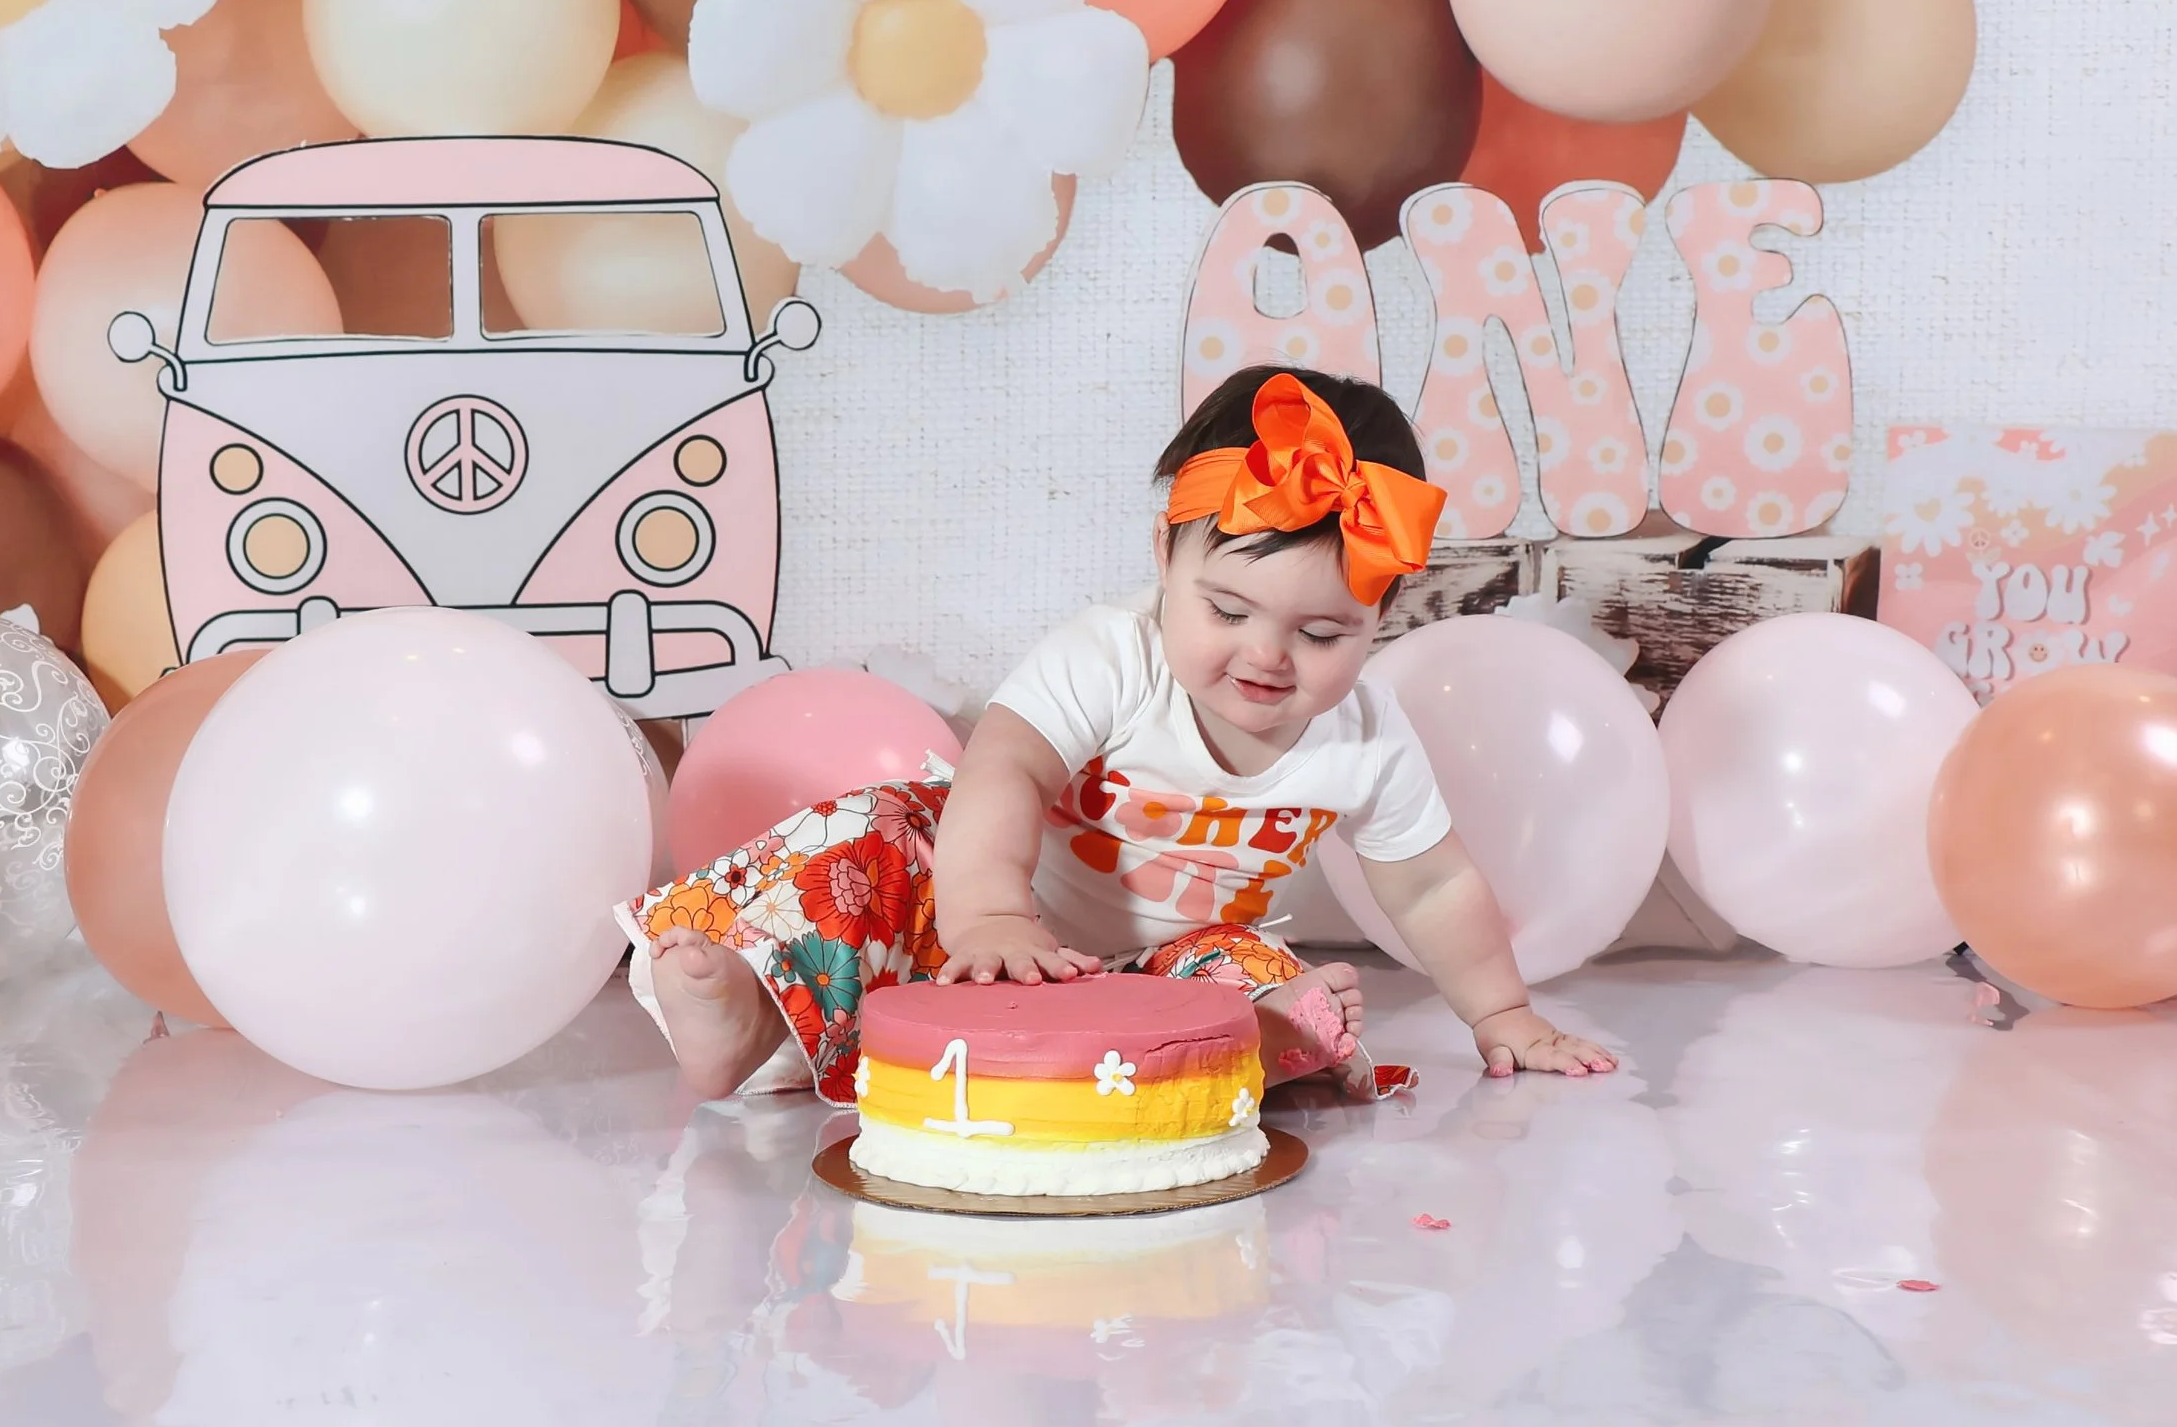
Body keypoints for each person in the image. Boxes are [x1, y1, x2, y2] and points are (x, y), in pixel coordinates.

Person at [624, 366, 1617, 1106]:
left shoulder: (1366, 738)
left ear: (1381, 616)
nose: (1267, 656)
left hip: (1162, 973)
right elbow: (1006, 766)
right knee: (883, 833)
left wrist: (1501, 1014)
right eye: (1226, 610)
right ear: (1163, 561)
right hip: (973, 923)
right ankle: (745, 1019)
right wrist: (988, 915)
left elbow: (1433, 883)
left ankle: (1250, 1050)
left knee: (1268, 976)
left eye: (1321, 633)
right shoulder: (1114, 656)